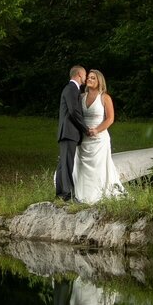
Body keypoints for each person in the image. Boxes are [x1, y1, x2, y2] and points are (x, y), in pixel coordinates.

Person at [72, 69, 124, 204]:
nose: (89, 79)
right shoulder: (81, 97)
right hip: (83, 138)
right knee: (81, 167)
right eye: (88, 77)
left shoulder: (104, 97)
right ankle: (81, 195)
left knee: (98, 167)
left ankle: (99, 194)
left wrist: (97, 130)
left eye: (93, 78)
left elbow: (110, 118)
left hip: (99, 139)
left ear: (99, 81)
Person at [56, 65, 89, 202]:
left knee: (63, 164)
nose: (86, 78)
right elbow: (73, 111)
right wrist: (85, 128)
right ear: (80, 74)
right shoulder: (71, 89)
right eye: (85, 75)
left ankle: (60, 193)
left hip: (68, 132)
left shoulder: (72, 89)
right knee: (67, 163)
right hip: (69, 132)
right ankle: (68, 195)